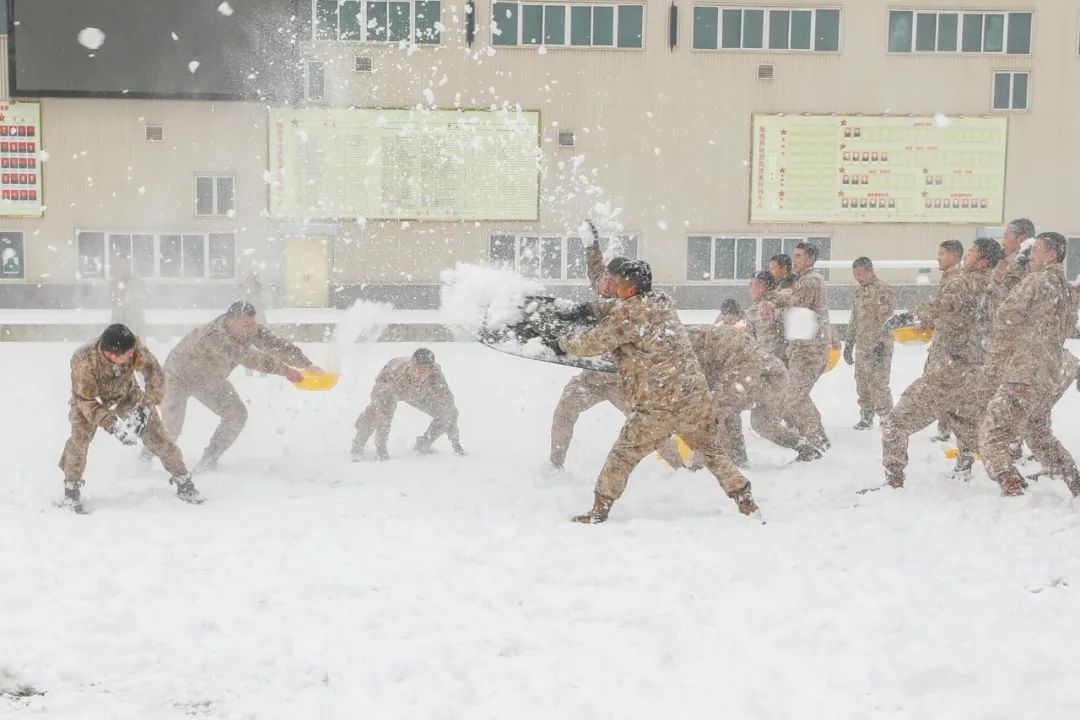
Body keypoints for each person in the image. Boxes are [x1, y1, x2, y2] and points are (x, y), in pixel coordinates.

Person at [557, 260, 760, 523]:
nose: (615, 287)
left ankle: (599, 510)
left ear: (630, 290)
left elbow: (593, 342)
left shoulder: (628, 316)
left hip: (658, 403)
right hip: (694, 398)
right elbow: (624, 308)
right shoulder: (662, 302)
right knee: (711, 451)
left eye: (619, 284)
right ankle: (745, 500)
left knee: (623, 454)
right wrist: (592, 308)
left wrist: (561, 342)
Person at [876, 239, 1000, 490]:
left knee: (896, 422)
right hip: (974, 367)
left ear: (984, 260)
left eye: (973, 252)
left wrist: (912, 315)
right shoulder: (993, 286)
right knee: (962, 418)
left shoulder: (962, 280)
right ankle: (966, 467)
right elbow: (963, 316)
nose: (968, 255)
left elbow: (947, 304)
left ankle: (893, 481)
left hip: (951, 367)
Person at [977, 232, 1080, 497]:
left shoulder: (1036, 281)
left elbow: (1005, 315)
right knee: (1038, 433)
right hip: (1048, 373)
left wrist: (1011, 275)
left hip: (1023, 372)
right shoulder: (1066, 291)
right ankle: (1075, 481)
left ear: (1051, 255)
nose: (1031, 255)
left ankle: (1012, 489)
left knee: (991, 435)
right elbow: (1069, 326)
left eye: (1036, 251)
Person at [159, 301, 318, 471]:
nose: (250, 329)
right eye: (246, 324)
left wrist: (307, 364)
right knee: (171, 428)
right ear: (231, 320)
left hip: (209, 379)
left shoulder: (246, 329)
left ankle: (209, 459)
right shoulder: (214, 335)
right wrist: (286, 371)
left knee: (237, 415)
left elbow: (275, 345)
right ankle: (144, 458)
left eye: (252, 323)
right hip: (176, 377)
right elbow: (251, 358)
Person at [60, 323, 200, 513]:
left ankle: (183, 480)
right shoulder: (84, 361)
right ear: (111, 354)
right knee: (79, 440)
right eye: (128, 354)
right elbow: (86, 401)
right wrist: (112, 425)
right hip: (90, 401)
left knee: (158, 437)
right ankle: (71, 490)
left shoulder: (132, 346)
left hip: (127, 394)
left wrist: (147, 404)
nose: (133, 356)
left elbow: (154, 371)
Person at [686, 323, 821, 464]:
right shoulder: (692, 344)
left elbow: (721, 401)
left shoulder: (690, 345)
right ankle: (804, 449)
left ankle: (736, 459)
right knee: (763, 423)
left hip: (765, 375)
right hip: (771, 371)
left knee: (724, 410)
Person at [762, 242, 832, 451]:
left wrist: (771, 312)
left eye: (800, 256)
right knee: (795, 395)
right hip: (804, 348)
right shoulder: (805, 281)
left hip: (809, 351)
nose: (795, 260)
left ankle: (815, 438)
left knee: (793, 398)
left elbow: (795, 312)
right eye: (795, 255)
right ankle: (816, 435)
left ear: (810, 260)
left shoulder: (809, 282)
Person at [351, 348, 463, 460]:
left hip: (419, 394)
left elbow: (448, 404)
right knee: (377, 413)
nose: (420, 373)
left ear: (431, 370)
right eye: (417, 368)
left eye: (425, 370)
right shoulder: (395, 373)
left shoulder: (436, 375)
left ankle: (423, 444)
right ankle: (358, 444)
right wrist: (381, 448)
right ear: (412, 364)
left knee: (448, 413)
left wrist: (455, 442)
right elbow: (384, 414)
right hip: (390, 387)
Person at [844, 257, 896, 429]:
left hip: (878, 347)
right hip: (862, 347)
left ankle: (887, 418)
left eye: (860, 273)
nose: (857, 277)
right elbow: (854, 319)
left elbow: (887, 320)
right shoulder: (859, 292)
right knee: (862, 383)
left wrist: (881, 342)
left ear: (870, 270)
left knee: (878, 383)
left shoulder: (883, 290)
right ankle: (866, 417)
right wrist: (849, 342)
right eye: (855, 274)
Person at [989, 218, 1036, 308]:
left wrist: (995, 281)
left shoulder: (1023, 264)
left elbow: (1007, 301)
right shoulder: (1010, 260)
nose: (1003, 243)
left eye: (1006, 237)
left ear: (1021, 239)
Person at [745, 271, 787, 365]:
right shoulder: (784, 301)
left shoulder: (759, 309)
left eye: (753, 284)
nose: (750, 288)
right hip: (787, 359)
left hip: (770, 363)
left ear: (763, 287)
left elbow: (766, 344)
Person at [109, 258, 148, 338]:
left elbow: (144, 297)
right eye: (122, 265)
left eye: (126, 265)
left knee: (137, 343)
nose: (124, 268)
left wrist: (133, 297)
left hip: (135, 320)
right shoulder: (113, 283)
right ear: (118, 267)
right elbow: (109, 299)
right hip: (119, 320)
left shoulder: (137, 282)